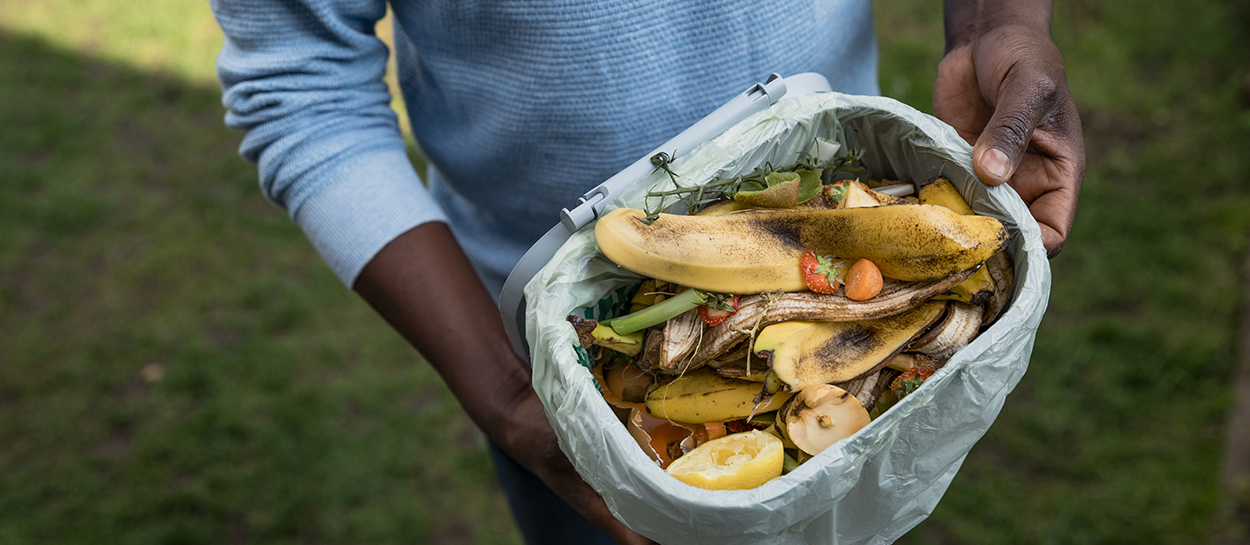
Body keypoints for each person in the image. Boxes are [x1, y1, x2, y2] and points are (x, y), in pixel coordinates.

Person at [211, 1, 1084, 543]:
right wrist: (506, 393)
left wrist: (993, 24)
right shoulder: (536, 385)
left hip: (855, 240)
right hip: (559, 368)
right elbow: (302, 95)